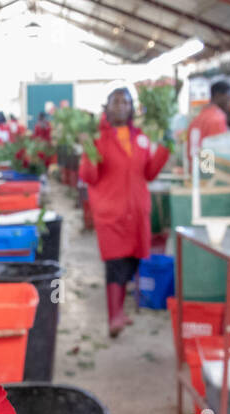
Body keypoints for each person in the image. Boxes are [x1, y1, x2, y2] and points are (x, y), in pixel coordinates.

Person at [79, 87, 170, 337]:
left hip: (137, 211)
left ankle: (120, 311)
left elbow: (149, 173)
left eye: (125, 102)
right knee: (114, 262)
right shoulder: (98, 138)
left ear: (132, 108)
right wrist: (88, 150)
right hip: (110, 211)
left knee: (132, 260)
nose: (120, 106)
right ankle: (114, 316)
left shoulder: (140, 137)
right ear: (106, 108)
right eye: (115, 102)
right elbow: (89, 176)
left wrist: (165, 148)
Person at [186, 80, 230, 160]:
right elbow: (220, 153)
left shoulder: (198, 118)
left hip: (195, 169)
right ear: (218, 96)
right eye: (228, 98)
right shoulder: (217, 118)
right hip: (208, 170)